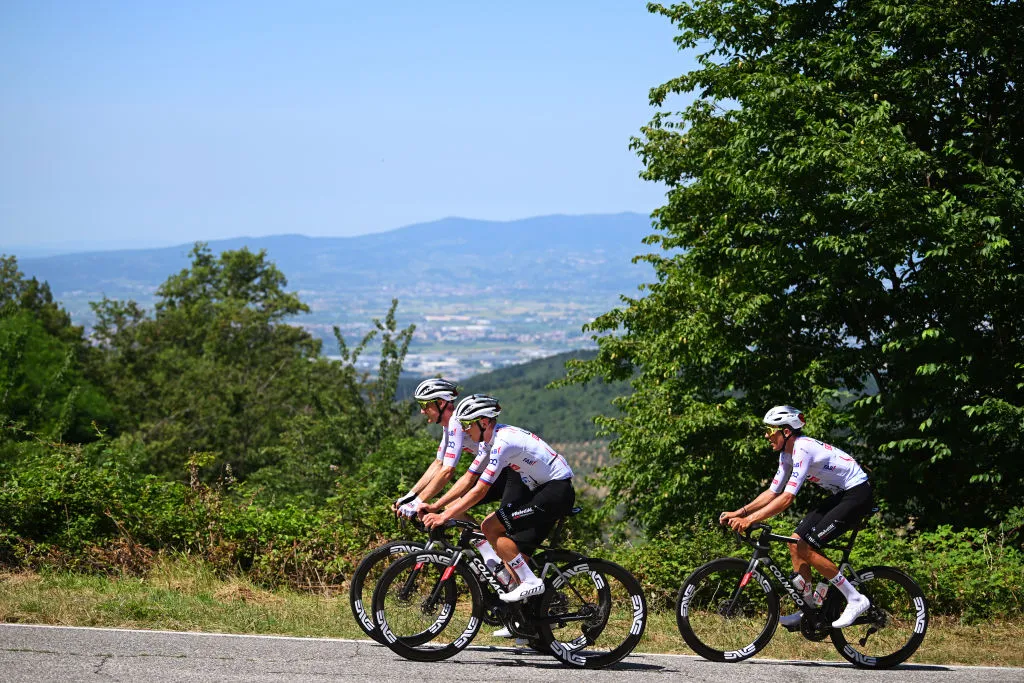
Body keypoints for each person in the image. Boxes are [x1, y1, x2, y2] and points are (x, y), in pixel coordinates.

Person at [719, 405, 874, 629]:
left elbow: (787, 498)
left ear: (786, 432)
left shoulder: (802, 448)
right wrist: (740, 513)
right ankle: (809, 608)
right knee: (795, 542)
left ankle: (855, 598)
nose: (766, 435)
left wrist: (750, 520)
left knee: (807, 547)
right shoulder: (786, 454)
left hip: (858, 494)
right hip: (842, 495)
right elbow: (773, 492)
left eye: (770, 430)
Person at [422, 394, 576, 604]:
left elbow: (480, 490)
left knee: (490, 526)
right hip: (542, 490)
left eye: (468, 424)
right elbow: (468, 478)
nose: (465, 430)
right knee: (513, 550)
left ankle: (530, 581)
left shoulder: (503, 443)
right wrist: (437, 506)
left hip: (556, 491)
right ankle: (523, 623)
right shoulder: (489, 441)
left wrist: (443, 516)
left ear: (484, 422)